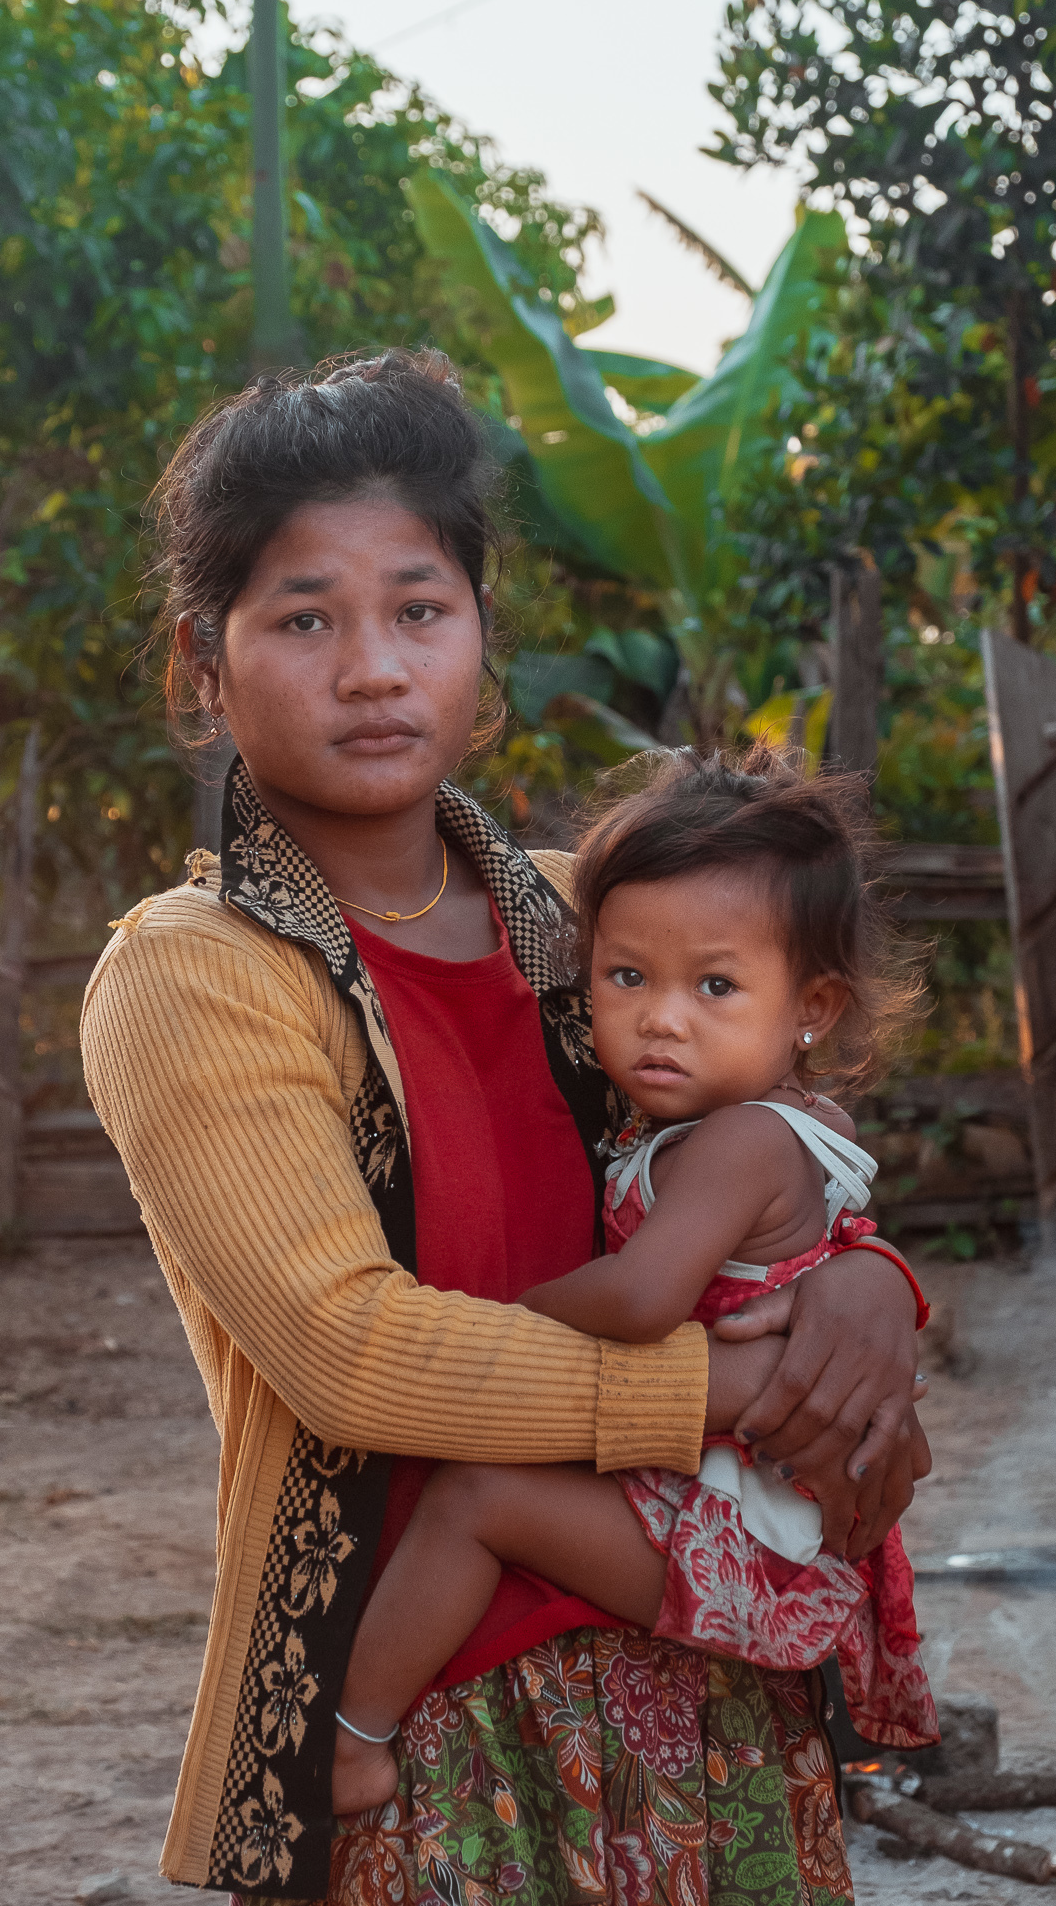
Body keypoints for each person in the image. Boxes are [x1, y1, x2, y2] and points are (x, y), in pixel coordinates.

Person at [81, 348, 932, 1906]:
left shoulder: (587, 916)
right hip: (417, 1713)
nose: (375, 665)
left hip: (692, 1685)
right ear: (201, 661)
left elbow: (773, 1135)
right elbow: (349, 1345)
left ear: (482, 631)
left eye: (420, 606)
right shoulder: (197, 970)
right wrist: (716, 1389)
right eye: (304, 617)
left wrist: (868, 1283)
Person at [331, 746, 936, 1818]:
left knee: (474, 1501)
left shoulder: (740, 1142)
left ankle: (349, 1739)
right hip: (754, 1516)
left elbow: (644, 1300)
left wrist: (510, 1319)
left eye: (715, 985)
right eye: (627, 978)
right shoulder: (778, 1120)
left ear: (814, 1006)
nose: (663, 1018)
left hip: (754, 1547)